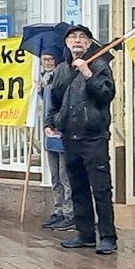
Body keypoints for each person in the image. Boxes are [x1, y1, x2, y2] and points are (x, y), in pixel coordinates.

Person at [45, 25, 117, 255]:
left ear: (88, 43)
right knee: (77, 188)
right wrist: (50, 122)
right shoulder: (61, 70)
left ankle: (108, 236)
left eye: (82, 38)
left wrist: (88, 73)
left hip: (93, 137)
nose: (77, 41)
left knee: (101, 189)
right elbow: (53, 99)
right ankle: (85, 234)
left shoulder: (99, 65)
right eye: (73, 37)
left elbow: (106, 94)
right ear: (67, 43)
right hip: (70, 138)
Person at [39, 50, 74, 232]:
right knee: (54, 176)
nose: (48, 62)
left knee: (64, 175)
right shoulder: (45, 81)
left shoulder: (62, 79)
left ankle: (70, 214)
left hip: (61, 133)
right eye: (45, 59)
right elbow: (45, 105)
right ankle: (58, 210)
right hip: (48, 134)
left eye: (51, 59)